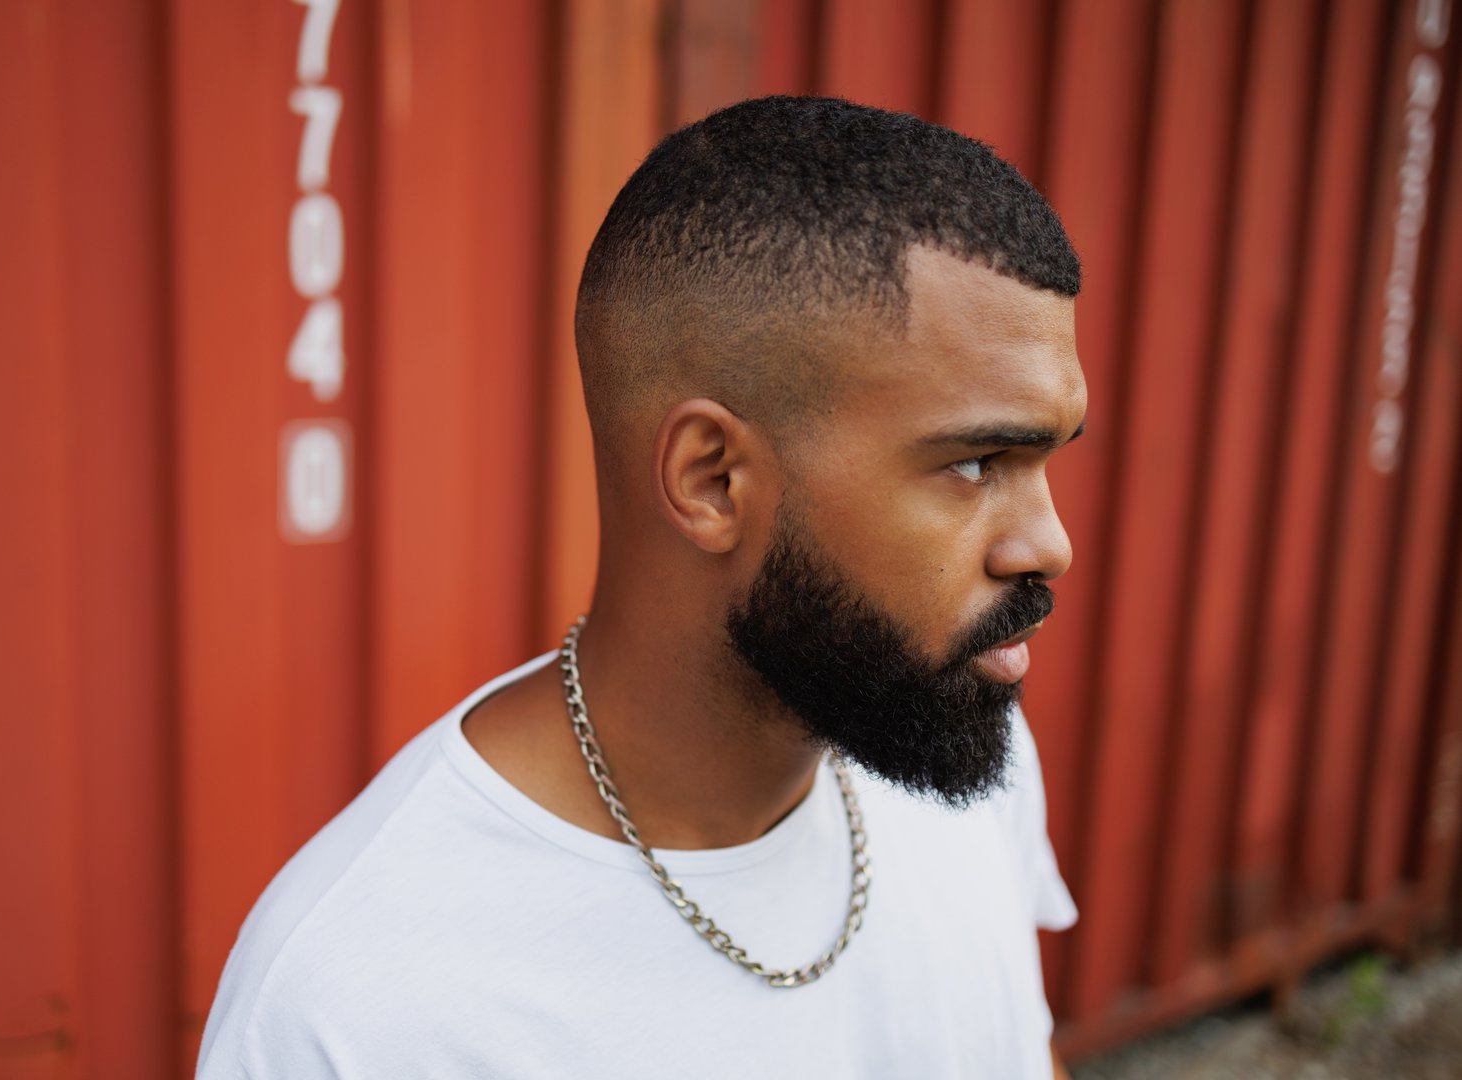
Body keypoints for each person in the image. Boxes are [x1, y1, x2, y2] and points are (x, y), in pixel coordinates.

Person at [198, 95, 1087, 1079]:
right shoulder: (357, 1007)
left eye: (1047, 459)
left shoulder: (947, 733)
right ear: (711, 480)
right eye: (977, 462)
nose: (1050, 545)